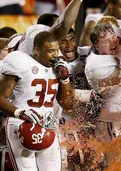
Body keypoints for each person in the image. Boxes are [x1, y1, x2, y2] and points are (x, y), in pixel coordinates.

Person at [0, 31, 74, 171]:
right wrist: (18, 112)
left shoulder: (59, 65)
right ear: (36, 50)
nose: (55, 55)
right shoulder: (20, 62)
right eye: (50, 51)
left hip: (48, 126)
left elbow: (68, 104)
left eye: (56, 50)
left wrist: (65, 79)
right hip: (21, 125)